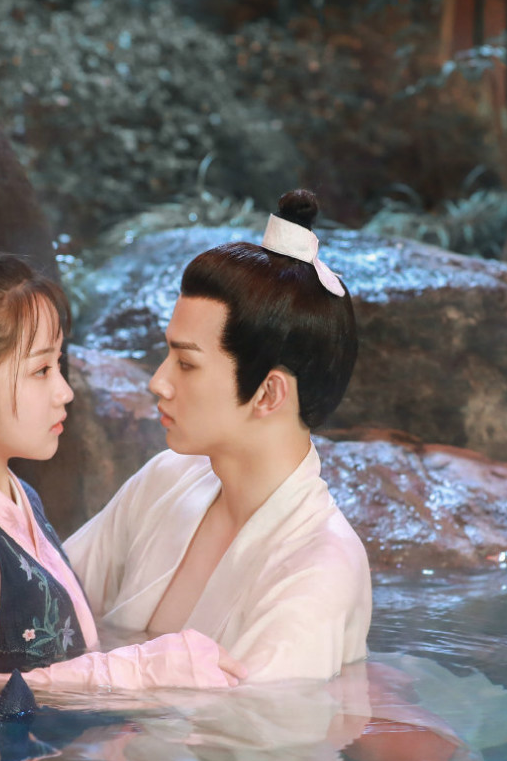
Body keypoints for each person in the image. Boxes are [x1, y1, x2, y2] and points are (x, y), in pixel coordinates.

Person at [0, 224, 245, 707]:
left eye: (58, 365)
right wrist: (136, 670)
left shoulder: (13, 495)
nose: (64, 392)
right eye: (41, 370)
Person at [65, 189, 369, 684]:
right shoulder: (167, 479)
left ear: (269, 393)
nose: (158, 382)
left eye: (186, 363)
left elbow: (248, 723)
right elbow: (49, 604)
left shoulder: (319, 569)